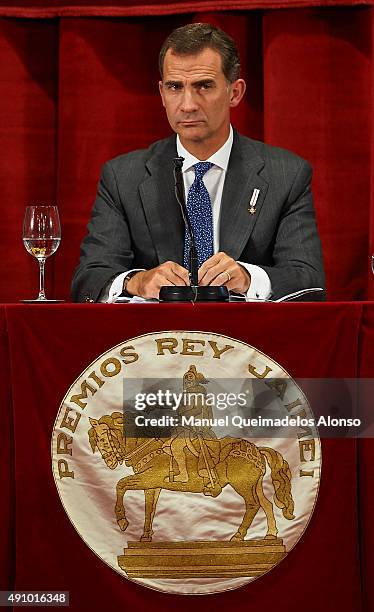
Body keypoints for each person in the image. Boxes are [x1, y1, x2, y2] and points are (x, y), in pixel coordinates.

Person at [71, 23, 325, 303]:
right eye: (175, 87)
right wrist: (138, 281)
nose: (188, 104)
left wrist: (249, 278)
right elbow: (89, 279)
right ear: (162, 94)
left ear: (235, 93)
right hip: (153, 341)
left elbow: (309, 281)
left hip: (247, 340)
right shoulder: (123, 177)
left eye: (204, 86)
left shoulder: (286, 175)